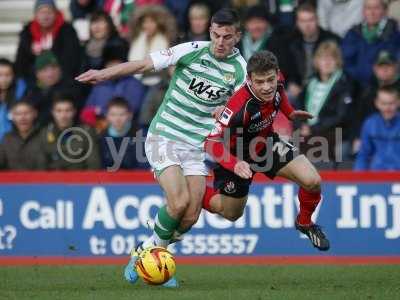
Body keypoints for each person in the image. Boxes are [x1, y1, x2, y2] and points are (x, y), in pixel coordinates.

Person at [76, 8, 247, 287]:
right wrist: (104, 73)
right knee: (178, 203)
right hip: (164, 134)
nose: (220, 42)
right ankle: (151, 257)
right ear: (210, 33)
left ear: (237, 36)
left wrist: (228, 113)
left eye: (227, 37)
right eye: (216, 35)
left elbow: (241, 110)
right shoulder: (192, 50)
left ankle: (146, 249)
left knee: (191, 215)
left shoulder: (240, 72)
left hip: (196, 146)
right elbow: (143, 65)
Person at [203, 50, 330, 251]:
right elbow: (210, 142)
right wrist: (234, 164)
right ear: (249, 79)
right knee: (231, 213)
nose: (266, 87)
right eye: (260, 82)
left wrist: (290, 112)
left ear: (277, 73)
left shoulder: (277, 81)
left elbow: (279, 93)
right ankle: (195, 191)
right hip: (237, 157)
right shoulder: (237, 107)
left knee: (313, 181)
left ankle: (305, 223)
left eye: (270, 80)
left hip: (267, 145)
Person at [296, 41, 354, 168]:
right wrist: (302, 124)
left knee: (316, 145)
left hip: (334, 132)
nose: (327, 62)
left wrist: (314, 128)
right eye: (323, 58)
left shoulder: (345, 83)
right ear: (317, 61)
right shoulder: (310, 83)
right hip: (308, 130)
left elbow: (341, 116)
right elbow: (297, 108)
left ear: (337, 61)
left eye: (331, 58)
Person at [80, 45, 147, 131]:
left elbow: (134, 108)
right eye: (110, 64)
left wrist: (102, 111)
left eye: (117, 64)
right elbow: (88, 108)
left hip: (128, 129)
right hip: (100, 129)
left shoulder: (134, 84)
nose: (113, 67)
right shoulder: (99, 85)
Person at [284, 2, 340, 101]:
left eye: (311, 20)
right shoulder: (290, 42)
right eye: (303, 21)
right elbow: (285, 70)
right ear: (297, 23)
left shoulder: (330, 40)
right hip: (299, 89)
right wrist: (291, 83)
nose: (307, 25)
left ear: (317, 20)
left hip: (324, 86)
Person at [15, 0, 81, 83]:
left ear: (55, 13)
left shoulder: (67, 31)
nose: (45, 16)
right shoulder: (27, 33)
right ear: (36, 15)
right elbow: (21, 63)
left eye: (49, 12)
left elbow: (72, 60)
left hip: (63, 79)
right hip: (33, 81)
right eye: (42, 12)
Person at [341, 0, 400, 87]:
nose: (372, 12)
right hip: (355, 86)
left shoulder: (394, 35)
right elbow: (345, 61)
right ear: (363, 11)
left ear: (385, 11)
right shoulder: (353, 34)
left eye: (376, 8)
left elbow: (395, 63)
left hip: (385, 86)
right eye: (368, 8)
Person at [39, 93, 101, 170]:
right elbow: (41, 166)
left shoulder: (87, 132)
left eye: (68, 111)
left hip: (80, 180)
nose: (63, 115)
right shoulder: (44, 133)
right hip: (52, 180)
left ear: (74, 111)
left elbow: (94, 164)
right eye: (59, 111)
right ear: (52, 112)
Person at [26, 51, 82, 127]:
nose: (50, 74)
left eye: (54, 68)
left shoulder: (71, 88)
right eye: (44, 70)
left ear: (60, 69)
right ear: (37, 74)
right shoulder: (31, 91)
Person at [354, 85, 400, 170]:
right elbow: (363, 154)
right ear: (377, 103)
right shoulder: (370, 123)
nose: (387, 108)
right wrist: (358, 179)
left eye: (391, 103)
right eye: (383, 103)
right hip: (377, 176)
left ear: (398, 102)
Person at [100, 97, 149, 170]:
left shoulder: (142, 135)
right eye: (113, 115)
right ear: (107, 116)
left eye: (122, 114)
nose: (117, 119)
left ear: (130, 115)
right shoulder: (101, 137)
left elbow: (144, 166)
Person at [0, 100, 46, 170]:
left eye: (26, 113)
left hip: (41, 180)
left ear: (35, 114)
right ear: (12, 116)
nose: (22, 118)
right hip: (12, 180)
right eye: (18, 114)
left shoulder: (44, 136)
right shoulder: (7, 138)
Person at [0, 59, 28, 141]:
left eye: (8, 75)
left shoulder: (21, 92)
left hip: (13, 143)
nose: (4, 79)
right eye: (0, 75)